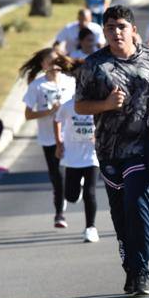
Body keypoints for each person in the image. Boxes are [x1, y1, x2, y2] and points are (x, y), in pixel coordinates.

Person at [74, 4, 149, 296]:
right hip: (109, 149)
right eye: (110, 27)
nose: (116, 32)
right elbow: (80, 105)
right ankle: (131, 268)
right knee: (121, 215)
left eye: (121, 26)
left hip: (143, 147)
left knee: (137, 205)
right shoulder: (94, 65)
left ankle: (142, 271)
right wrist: (106, 105)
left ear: (133, 30)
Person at [20, 47, 77, 228]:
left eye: (56, 60)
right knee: (56, 177)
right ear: (42, 64)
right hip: (49, 137)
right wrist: (49, 111)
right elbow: (28, 115)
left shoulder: (71, 82)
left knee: (71, 175)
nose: (53, 65)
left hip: (72, 136)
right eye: (49, 61)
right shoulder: (37, 86)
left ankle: (75, 187)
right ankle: (59, 214)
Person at [54, 72, 101, 243]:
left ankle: (91, 228)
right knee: (71, 196)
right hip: (72, 155)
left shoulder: (97, 106)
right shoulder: (68, 106)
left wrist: (99, 136)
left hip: (91, 155)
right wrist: (59, 143)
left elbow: (105, 122)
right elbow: (57, 120)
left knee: (90, 192)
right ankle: (76, 189)